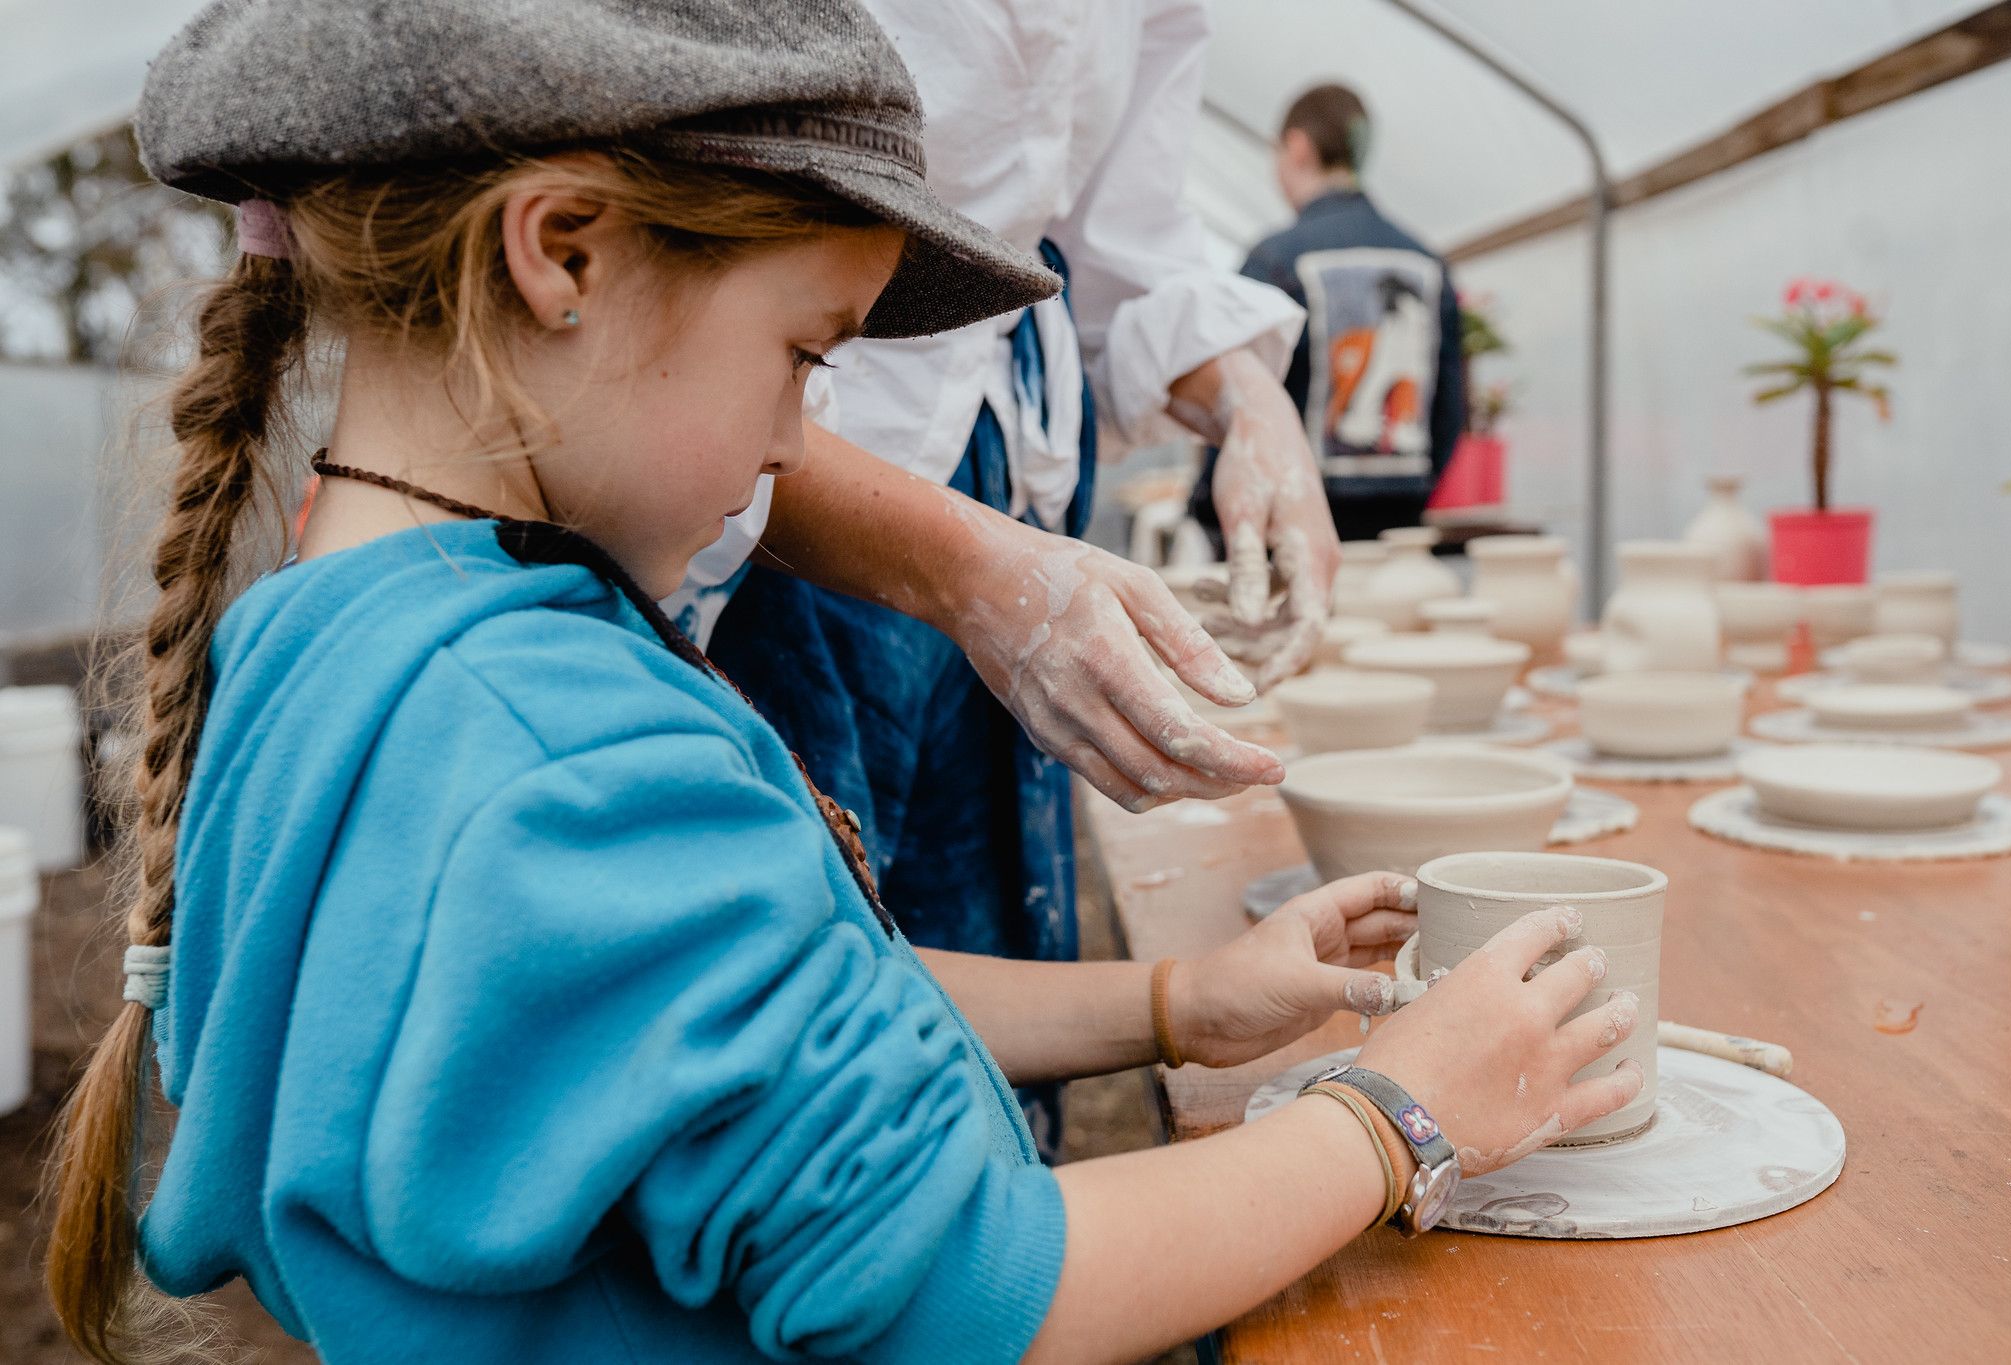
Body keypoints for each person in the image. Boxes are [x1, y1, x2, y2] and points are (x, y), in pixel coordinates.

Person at [45, 5, 1643, 1363]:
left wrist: (1170, 1005)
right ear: (561, 254)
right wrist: (1397, 1119)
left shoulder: (328, 645)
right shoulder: (572, 758)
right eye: (809, 353)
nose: (799, 447)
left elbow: (740, 1008)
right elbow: (971, 1287)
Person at [701, 2, 1343, 1100]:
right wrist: (1381, 1140)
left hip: (1009, 459)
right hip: (777, 478)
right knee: (808, 1031)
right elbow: (671, 314)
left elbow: (1121, 248)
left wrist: (1252, 405)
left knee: (970, 964)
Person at [1194, 82, 1467, 545]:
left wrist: (1206, 504)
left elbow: (1229, 396)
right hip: (1397, 537)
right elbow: (1450, 406)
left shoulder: (1274, 260)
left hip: (1289, 534)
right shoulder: (1426, 263)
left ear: (1298, 147)